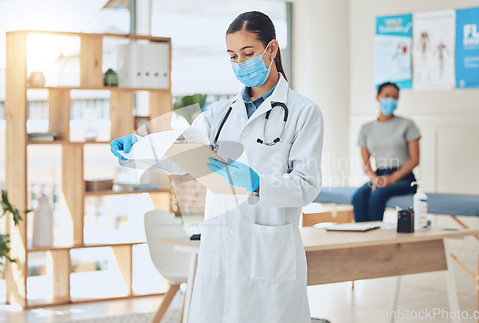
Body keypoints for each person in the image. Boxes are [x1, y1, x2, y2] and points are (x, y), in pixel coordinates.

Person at [110, 11, 323, 323]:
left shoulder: (304, 112)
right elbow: (182, 155)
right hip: (220, 246)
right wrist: (139, 149)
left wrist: (256, 183)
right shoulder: (219, 114)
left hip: (269, 250)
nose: (240, 63)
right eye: (233, 56)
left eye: (248, 53)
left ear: (272, 49)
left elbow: (306, 185)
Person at [352, 82, 420, 222]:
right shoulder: (366, 129)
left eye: (395, 97)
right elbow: (365, 163)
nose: (391, 99)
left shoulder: (407, 125)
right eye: (387, 96)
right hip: (379, 176)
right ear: (378, 97)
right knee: (358, 197)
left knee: (377, 196)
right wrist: (374, 179)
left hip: (404, 178)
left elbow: (415, 159)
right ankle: (364, 239)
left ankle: (376, 239)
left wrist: (393, 178)